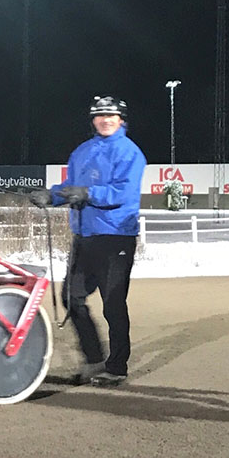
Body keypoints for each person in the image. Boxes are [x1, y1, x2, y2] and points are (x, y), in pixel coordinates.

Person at [30, 96, 146, 387]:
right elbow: (71, 189)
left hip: (116, 235)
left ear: (121, 119)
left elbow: (123, 192)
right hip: (85, 236)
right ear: (93, 120)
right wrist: (51, 196)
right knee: (71, 296)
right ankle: (95, 359)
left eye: (111, 115)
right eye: (100, 115)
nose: (105, 120)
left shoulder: (130, 152)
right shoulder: (82, 151)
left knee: (113, 305)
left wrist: (90, 193)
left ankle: (117, 367)